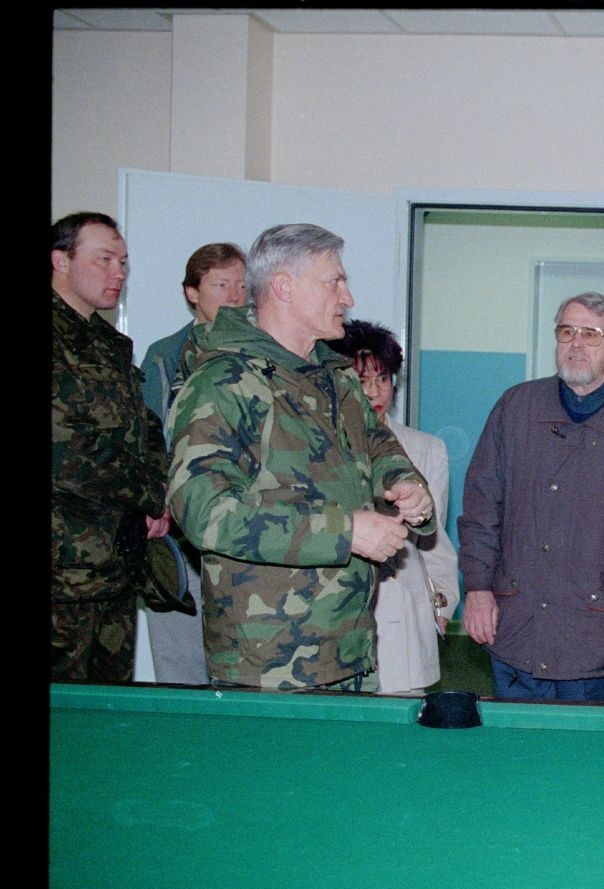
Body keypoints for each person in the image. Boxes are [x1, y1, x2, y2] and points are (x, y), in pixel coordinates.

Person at [166, 223, 436, 689]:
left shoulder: (336, 376)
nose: (348, 297)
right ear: (284, 287)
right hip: (269, 663)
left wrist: (406, 485)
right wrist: (346, 530)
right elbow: (204, 511)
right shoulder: (224, 382)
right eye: (335, 281)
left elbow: (377, 444)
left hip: (351, 649)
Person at [458, 292, 604, 701]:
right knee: (514, 755)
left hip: (596, 640)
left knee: (584, 760)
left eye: (591, 333)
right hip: (516, 628)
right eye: (567, 332)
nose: (577, 344)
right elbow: (481, 506)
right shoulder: (516, 408)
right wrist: (477, 589)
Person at [51, 211, 169, 682]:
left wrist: (159, 487)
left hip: (115, 561)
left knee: (108, 708)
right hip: (63, 568)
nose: (118, 272)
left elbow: (145, 426)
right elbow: (66, 450)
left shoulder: (108, 342)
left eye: (123, 262)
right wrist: (150, 494)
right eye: (104, 259)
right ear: (60, 260)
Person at [329, 319, 460, 695]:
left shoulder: (426, 448)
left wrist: (440, 605)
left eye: (383, 379)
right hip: (338, 612)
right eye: (363, 380)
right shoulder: (321, 445)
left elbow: (434, 543)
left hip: (403, 610)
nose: (374, 391)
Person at [139, 242, 248, 685]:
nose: (235, 296)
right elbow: (145, 438)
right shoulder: (164, 355)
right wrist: (155, 503)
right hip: (180, 534)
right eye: (222, 285)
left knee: (245, 665)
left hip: (247, 529)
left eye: (242, 285)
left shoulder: (269, 354)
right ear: (192, 292)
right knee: (180, 665)